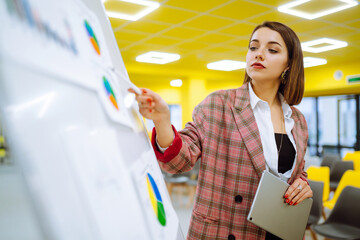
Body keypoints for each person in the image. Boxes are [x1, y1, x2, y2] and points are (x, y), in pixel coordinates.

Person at [129, 21, 313, 240]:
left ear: (289, 65)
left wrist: (303, 184)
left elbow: (296, 172)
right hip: (227, 230)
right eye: (253, 47)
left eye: (272, 50)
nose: (259, 54)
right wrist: (161, 120)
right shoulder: (219, 104)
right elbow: (177, 161)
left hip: (281, 230)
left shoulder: (297, 120)